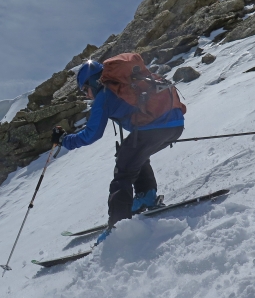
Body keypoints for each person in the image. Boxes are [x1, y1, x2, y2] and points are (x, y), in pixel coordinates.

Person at [52, 59, 184, 242]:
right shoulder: (126, 85)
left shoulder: (105, 96)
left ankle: (118, 226)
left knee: (122, 173)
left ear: (92, 83)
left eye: (85, 90)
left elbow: (92, 134)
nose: (87, 95)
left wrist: (64, 140)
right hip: (175, 125)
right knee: (131, 154)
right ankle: (146, 195)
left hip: (153, 129)